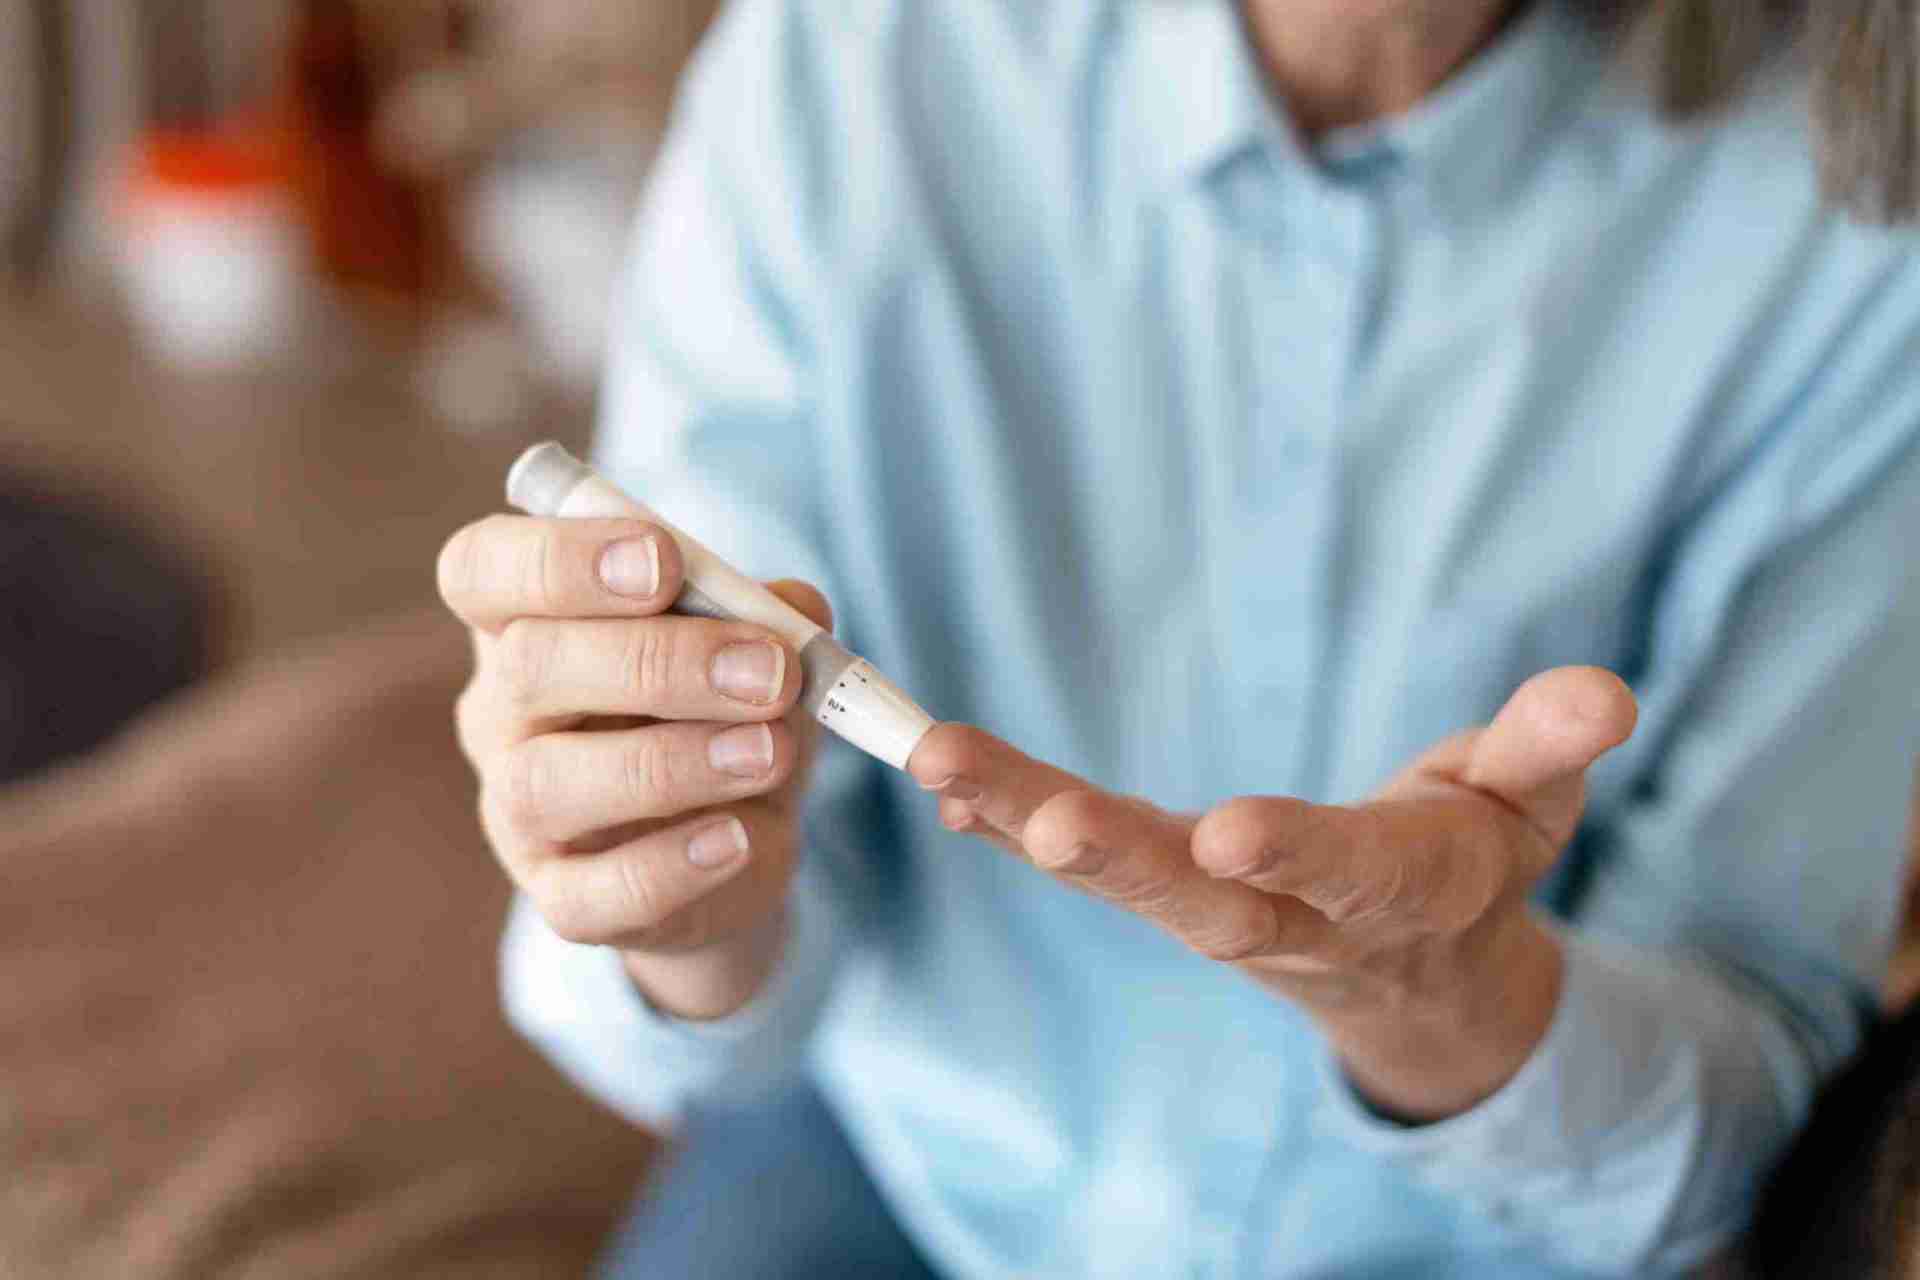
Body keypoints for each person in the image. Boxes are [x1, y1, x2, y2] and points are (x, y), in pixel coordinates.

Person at [434, 0, 1920, 1274]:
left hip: (1466, 1227)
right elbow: (702, 989)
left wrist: (1448, 1007)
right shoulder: (852, 60)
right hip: (914, 1154)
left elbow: (1743, 1079)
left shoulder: (1849, 221)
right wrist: (683, 902)